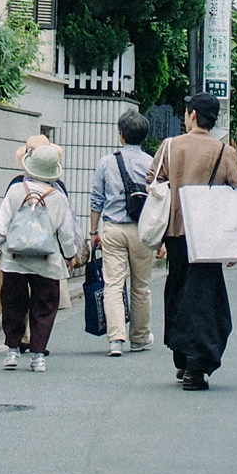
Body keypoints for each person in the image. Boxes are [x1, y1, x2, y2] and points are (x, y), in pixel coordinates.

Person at [148, 92, 237, 391]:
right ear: (213, 120)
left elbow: (152, 182)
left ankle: (182, 359)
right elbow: (235, 192)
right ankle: (196, 367)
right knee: (205, 300)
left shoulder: (170, 147)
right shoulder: (225, 152)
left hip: (176, 233)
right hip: (210, 237)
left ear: (190, 115)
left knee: (177, 290)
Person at [0, 142, 85, 373]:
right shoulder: (58, 197)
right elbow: (66, 233)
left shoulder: (16, 190)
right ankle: (38, 355)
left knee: (13, 304)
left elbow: (2, 224)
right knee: (45, 306)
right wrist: (70, 256)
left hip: (14, 258)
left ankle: (12, 350)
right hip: (47, 262)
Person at [89, 110, 156, 357]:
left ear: (121, 136)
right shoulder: (152, 163)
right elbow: (161, 199)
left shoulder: (107, 162)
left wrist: (93, 232)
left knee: (114, 285)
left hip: (113, 229)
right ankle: (139, 338)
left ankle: (116, 339)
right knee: (141, 286)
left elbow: (97, 198)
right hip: (143, 231)